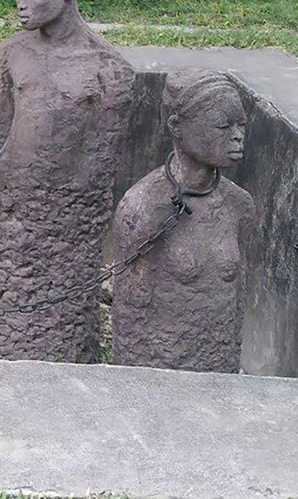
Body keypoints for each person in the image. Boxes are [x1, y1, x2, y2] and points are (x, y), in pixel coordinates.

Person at [0, 0, 136, 362]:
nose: (21, 6)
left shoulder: (108, 71)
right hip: (11, 204)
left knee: (53, 306)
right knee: (3, 289)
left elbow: (100, 167)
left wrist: (66, 224)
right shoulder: (11, 54)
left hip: (64, 216)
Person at [109, 69, 255, 372]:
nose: (238, 135)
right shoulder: (142, 208)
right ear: (177, 127)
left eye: (241, 124)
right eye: (223, 125)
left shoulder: (239, 206)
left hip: (217, 369)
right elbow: (129, 317)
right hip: (162, 372)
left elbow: (238, 299)